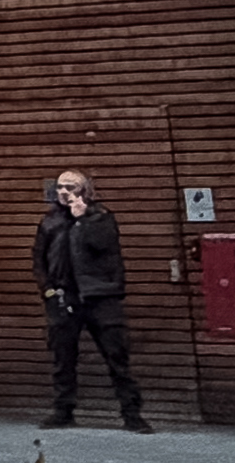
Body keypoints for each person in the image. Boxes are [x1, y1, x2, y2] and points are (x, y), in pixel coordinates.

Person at [35, 169, 151, 432]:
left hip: (100, 296)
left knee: (116, 356)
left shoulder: (101, 217)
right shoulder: (50, 221)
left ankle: (132, 414)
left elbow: (103, 246)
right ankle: (63, 411)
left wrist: (82, 220)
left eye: (71, 187)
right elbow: (39, 258)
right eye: (61, 187)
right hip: (65, 296)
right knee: (63, 357)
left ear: (85, 191)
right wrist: (47, 289)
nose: (64, 192)